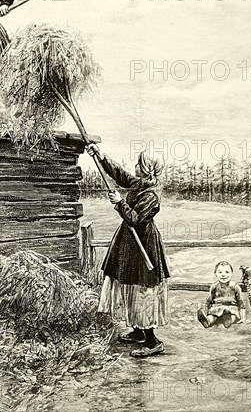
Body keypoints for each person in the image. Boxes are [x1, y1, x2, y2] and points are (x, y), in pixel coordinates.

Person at [86, 145, 170, 358]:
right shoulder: (142, 184)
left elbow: (134, 218)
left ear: (146, 167)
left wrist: (119, 203)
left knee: (142, 289)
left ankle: (152, 341)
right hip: (131, 243)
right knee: (131, 285)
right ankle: (138, 332)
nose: (135, 166)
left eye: (139, 163)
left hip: (143, 246)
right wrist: (102, 157)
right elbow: (120, 176)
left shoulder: (151, 194)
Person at [197, 261, 247, 328]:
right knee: (212, 316)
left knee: (233, 316)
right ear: (215, 274)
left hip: (231, 309)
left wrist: (243, 318)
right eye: (220, 272)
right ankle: (207, 321)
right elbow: (209, 301)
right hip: (217, 309)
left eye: (227, 272)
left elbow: (241, 303)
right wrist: (205, 313)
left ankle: (228, 320)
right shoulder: (214, 286)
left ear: (232, 273)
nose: (223, 275)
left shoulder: (235, 287)